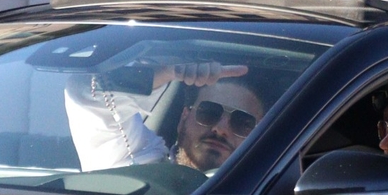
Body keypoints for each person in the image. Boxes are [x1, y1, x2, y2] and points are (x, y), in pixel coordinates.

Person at [66, 59, 266, 174]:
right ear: (183, 118)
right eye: (209, 112)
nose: (221, 128)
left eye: (242, 123)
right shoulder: (135, 159)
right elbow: (85, 91)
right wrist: (166, 73)